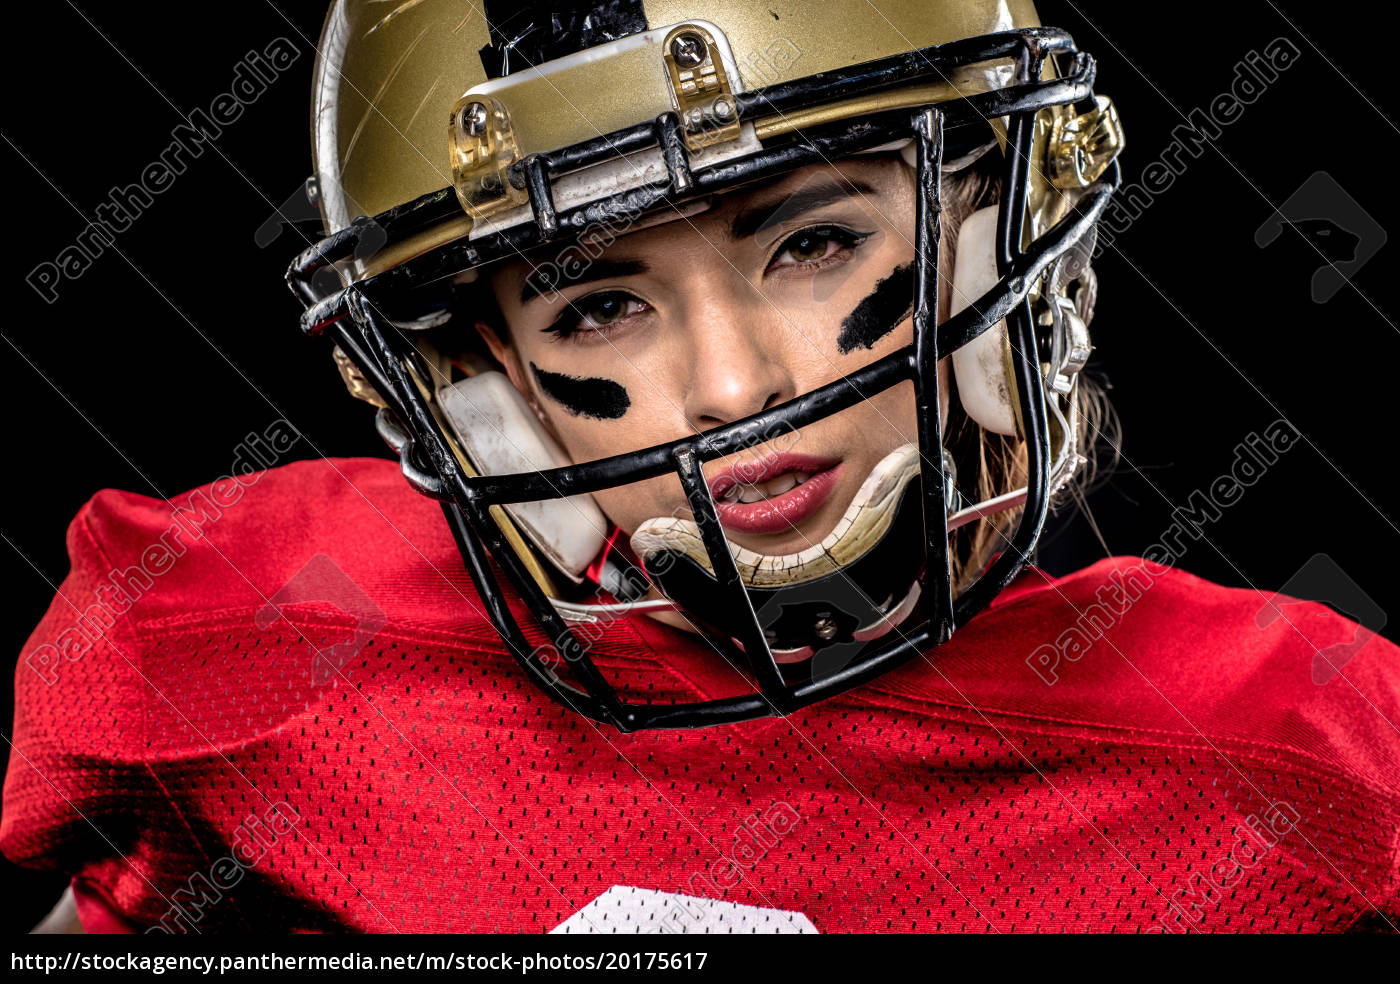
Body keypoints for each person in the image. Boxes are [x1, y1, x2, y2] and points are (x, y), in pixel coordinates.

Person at [4, 0, 1398, 934]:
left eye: (812, 244)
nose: (735, 387)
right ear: (484, 391)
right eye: (598, 305)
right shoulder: (257, 641)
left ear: (988, 227)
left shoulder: (1308, 763)